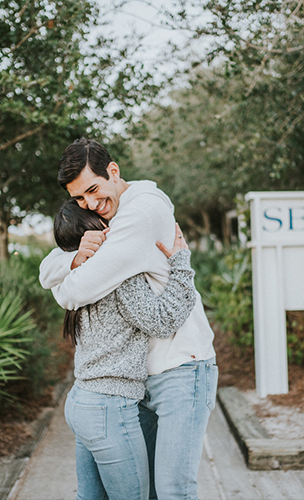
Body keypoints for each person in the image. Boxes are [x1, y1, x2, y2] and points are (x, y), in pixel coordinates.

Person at [40, 138, 218, 500]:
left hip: (181, 367)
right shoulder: (111, 219)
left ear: (114, 171)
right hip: (138, 380)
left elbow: (77, 290)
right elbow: (48, 268)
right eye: (79, 199)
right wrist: (72, 259)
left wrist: (65, 284)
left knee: (173, 491)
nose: (91, 204)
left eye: (93, 189)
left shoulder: (141, 213)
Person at [53, 199, 197, 500]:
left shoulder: (76, 275)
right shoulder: (118, 274)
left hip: (80, 400)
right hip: (108, 408)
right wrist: (182, 263)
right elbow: (162, 321)